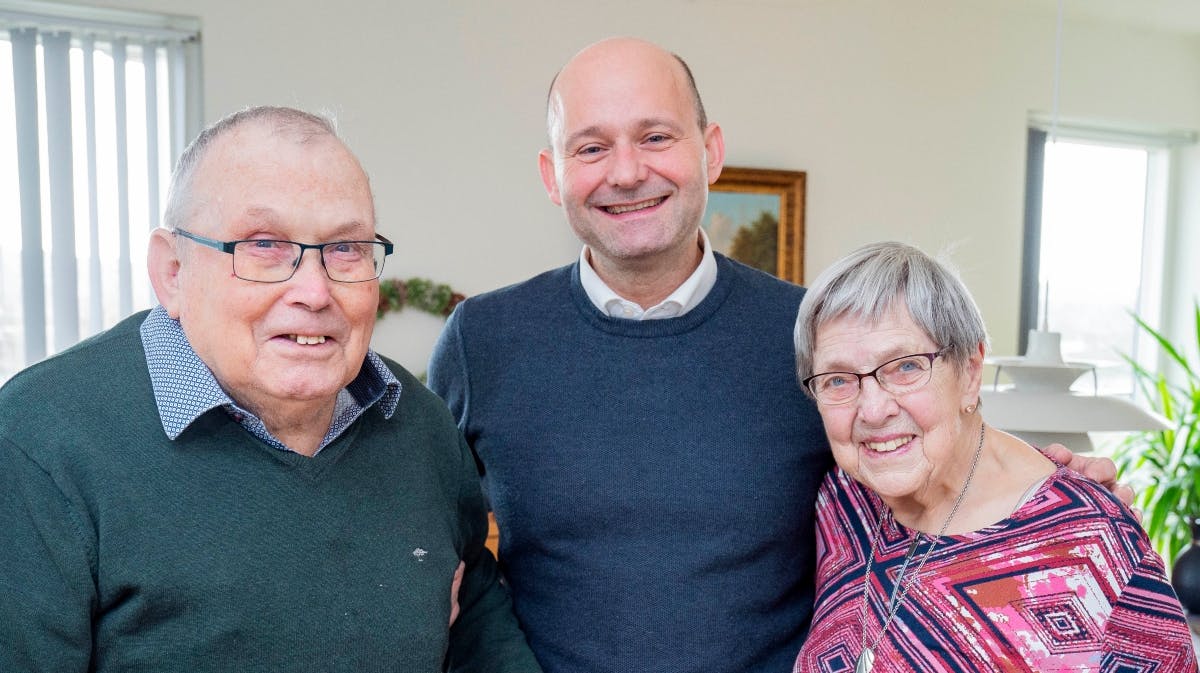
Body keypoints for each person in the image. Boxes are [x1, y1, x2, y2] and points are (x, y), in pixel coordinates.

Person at [428, 37, 1129, 673]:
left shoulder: (810, 335)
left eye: (656, 136)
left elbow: (921, 443)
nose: (628, 170)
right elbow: (428, 541)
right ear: (552, 176)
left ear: (712, 151)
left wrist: (1061, 492)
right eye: (591, 147)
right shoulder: (480, 341)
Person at [0, 106, 541, 673]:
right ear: (173, 272)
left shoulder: (421, 426)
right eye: (262, 245)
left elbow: (479, 625)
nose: (314, 290)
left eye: (346, 248)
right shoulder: (41, 442)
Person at [792, 241, 1196, 672]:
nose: (872, 410)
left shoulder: (1098, 545)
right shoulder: (841, 502)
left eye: (905, 367)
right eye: (838, 380)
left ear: (969, 372)